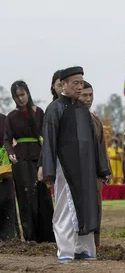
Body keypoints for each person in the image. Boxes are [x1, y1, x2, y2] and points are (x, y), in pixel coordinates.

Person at [42, 66, 111, 263]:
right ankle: (65, 251)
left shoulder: (83, 110)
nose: (80, 87)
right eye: (76, 83)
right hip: (65, 169)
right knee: (66, 207)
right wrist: (49, 173)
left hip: (87, 169)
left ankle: (85, 249)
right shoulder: (54, 109)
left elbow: (95, 143)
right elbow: (49, 142)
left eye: (81, 83)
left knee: (86, 207)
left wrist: (102, 168)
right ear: (63, 84)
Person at [4, 80, 48, 242]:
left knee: (42, 196)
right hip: (21, 160)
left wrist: (44, 157)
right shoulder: (11, 116)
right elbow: (7, 139)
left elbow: (46, 136)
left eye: (22, 95)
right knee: (25, 197)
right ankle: (30, 237)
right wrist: (10, 153)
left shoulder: (39, 112)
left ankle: (47, 236)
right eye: (17, 96)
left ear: (28, 93)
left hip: (39, 157)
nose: (21, 99)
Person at [78, 81, 112, 248]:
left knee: (96, 208)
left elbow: (102, 147)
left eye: (91, 95)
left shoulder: (96, 120)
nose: (89, 98)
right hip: (76, 173)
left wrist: (105, 170)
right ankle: (76, 246)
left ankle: (94, 246)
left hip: (94, 173)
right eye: (85, 95)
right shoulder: (70, 118)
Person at [0, 112, 18, 241]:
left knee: (6, 199)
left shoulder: (4, 119)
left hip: (4, 168)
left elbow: (12, 140)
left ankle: (9, 237)